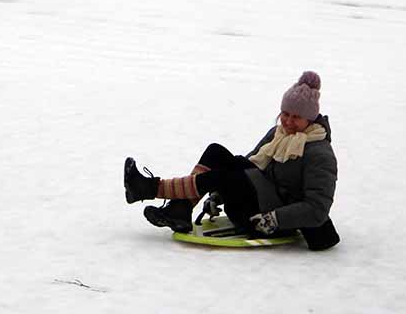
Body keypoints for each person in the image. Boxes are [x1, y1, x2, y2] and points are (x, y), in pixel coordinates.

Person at [123, 71, 340, 251]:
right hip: (258, 199)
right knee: (217, 152)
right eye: (285, 114)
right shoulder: (278, 134)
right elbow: (250, 163)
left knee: (227, 176)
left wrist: (273, 220)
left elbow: (317, 208)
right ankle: (181, 209)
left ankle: (149, 189)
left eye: (296, 117)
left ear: (310, 119)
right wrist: (218, 195)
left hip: (266, 221)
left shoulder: (319, 153)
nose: (288, 121)